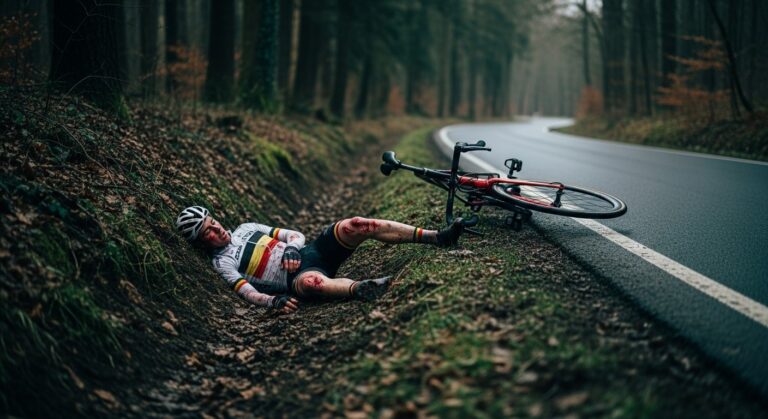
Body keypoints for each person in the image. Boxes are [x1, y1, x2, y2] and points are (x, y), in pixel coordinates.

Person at [176, 206, 465, 314]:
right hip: (297, 281)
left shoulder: (246, 229)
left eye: (213, 223)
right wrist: (272, 301)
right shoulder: (221, 263)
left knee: (358, 224)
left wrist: (291, 248)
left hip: (312, 252)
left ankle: (437, 237)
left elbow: (294, 235)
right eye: (208, 233)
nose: (216, 230)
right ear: (202, 242)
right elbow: (247, 291)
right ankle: (363, 288)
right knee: (314, 283)